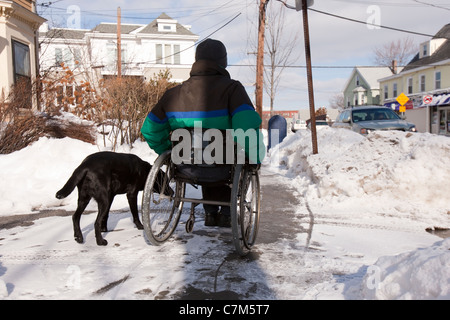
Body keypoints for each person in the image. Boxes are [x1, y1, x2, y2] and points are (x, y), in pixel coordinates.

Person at [141, 39, 265, 228]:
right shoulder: (232, 90)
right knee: (227, 156)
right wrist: (254, 157)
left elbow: (150, 128)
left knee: (202, 153)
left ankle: (210, 213)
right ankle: (225, 213)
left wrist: (167, 150)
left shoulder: (174, 93)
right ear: (223, 62)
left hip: (185, 165)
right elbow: (246, 127)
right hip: (223, 163)